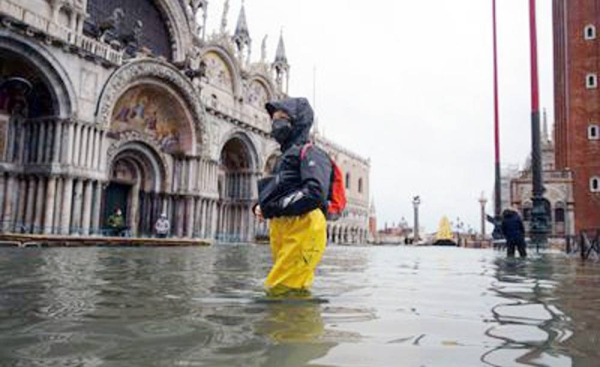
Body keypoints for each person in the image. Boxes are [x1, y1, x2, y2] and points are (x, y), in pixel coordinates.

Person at [253, 97, 332, 297]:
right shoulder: (284, 157)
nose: (276, 123)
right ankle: (294, 326)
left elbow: (314, 192)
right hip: (284, 227)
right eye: (274, 119)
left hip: (304, 226)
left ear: (298, 122)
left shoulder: (312, 153)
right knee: (289, 286)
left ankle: (290, 326)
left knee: (281, 288)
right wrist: (260, 205)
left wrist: (273, 207)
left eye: (282, 118)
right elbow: (283, 189)